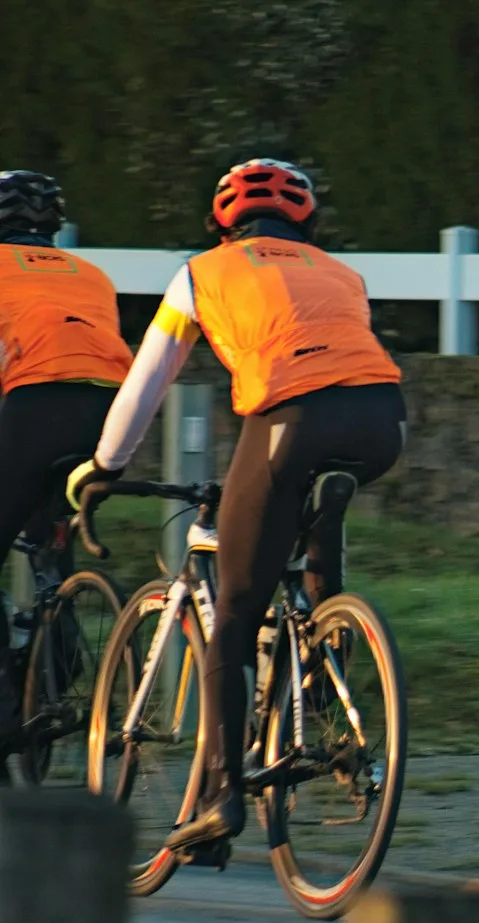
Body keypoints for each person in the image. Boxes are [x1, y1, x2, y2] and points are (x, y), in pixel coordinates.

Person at [67, 159, 406, 851]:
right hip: (384, 421)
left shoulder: (202, 273)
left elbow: (146, 383)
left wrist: (105, 466)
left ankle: (222, 796)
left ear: (221, 222)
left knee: (238, 608)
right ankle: (319, 660)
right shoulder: (341, 274)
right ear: (305, 222)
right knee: (306, 515)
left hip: (291, 418)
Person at [0, 169, 132, 742]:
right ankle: (56, 646)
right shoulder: (93, 275)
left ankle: (7, 714)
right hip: (110, 413)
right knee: (48, 532)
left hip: (34, 407)